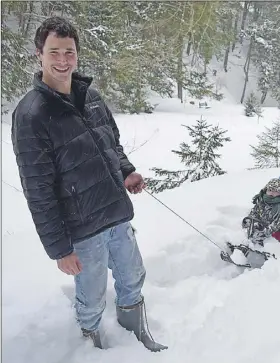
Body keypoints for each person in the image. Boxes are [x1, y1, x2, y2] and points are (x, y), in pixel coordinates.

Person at [11, 16, 167, 351]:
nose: (63, 60)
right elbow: (37, 190)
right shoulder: (31, 115)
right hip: (82, 230)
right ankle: (91, 342)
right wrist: (59, 249)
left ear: (77, 54)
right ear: (39, 54)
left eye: (69, 52)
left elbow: (111, 143)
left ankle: (136, 330)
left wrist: (126, 172)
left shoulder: (91, 97)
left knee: (132, 277)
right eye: (54, 52)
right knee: (92, 293)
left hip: (116, 213)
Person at [244, 179, 280, 248]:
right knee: (250, 236)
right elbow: (254, 213)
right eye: (270, 190)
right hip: (261, 228)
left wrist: (265, 232)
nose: (271, 193)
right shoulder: (261, 202)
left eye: (275, 191)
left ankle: (277, 254)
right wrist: (250, 222)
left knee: (274, 244)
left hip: (276, 232)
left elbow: (279, 223)